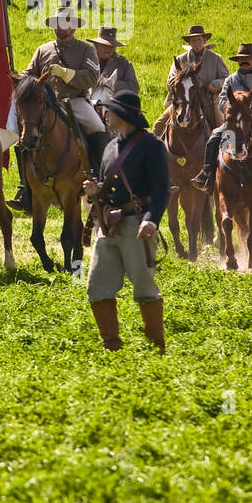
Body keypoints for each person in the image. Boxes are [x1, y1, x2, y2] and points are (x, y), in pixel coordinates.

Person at [83, 90, 170, 353]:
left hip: (136, 226)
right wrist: (93, 190)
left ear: (122, 114)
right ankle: (112, 348)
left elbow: (161, 189)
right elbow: (108, 189)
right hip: (108, 226)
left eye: (109, 110)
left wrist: (151, 221)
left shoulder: (152, 146)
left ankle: (157, 348)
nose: (105, 115)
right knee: (96, 287)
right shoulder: (110, 147)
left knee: (144, 288)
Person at [9, 5, 105, 213]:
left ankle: (100, 176)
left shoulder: (86, 50)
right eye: (58, 24)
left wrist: (66, 74)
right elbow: (30, 74)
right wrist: (19, 78)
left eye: (65, 24)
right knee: (22, 139)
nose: (60, 29)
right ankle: (25, 187)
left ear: (73, 28)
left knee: (98, 128)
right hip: (44, 105)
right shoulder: (43, 50)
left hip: (74, 102)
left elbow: (91, 77)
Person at [192, 43, 252, 191]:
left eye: (247, 58)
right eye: (241, 59)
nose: (244, 61)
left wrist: (251, 111)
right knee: (214, 139)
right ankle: (208, 174)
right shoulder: (230, 80)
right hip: (232, 123)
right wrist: (232, 111)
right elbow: (222, 101)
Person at [88, 26, 138, 109]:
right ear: (97, 45)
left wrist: (111, 85)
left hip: (116, 107)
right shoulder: (88, 61)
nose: (108, 48)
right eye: (104, 45)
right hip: (88, 104)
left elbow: (134, 87)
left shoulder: (124, 64)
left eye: (112, 46)